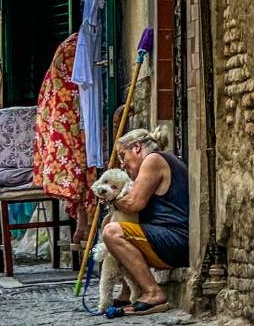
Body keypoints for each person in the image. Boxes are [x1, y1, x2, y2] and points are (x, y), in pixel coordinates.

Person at [101, 128, 189, 316]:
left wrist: (111, 199)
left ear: (137, 148)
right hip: (168, 239)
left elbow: (133, 204)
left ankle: (153, 292)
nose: (123, 164)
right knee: (110, 223)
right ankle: (127, 292)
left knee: (112, 232)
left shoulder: (153, 160)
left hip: (175, 241)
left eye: (123, 156)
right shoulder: (159, 160)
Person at [33, 33, 97, 247]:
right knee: (77, 156)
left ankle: (85, 221)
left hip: (76, 108)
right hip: (69, 108)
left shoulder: (78, 44)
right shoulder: (72, 49)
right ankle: (84, 220)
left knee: (83, 156)